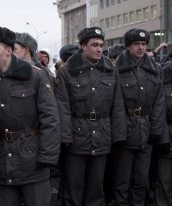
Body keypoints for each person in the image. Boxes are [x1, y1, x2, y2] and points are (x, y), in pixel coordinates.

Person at [0, 26, 60, 206]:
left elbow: (50, 119)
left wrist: (47, 157)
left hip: (33, 161)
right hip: (2, 163)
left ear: (9, 51)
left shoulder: (35, 76)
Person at [55, 27, 126, 206]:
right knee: (73, 187)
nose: (99, 49)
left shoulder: (111, 70)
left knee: (96, 187)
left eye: (101, 45)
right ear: (82, 46)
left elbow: (117, 106)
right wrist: (65, 137)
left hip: (102, 136)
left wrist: (118, 136)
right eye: (94, 45)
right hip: (77, 137)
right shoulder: (66, 71)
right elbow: (62, 107)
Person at [113, 28, 168, 206]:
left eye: (144, 44)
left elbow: (159, 102)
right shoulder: (117, 70)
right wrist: (120, 133)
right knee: (122, 179)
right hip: (126, 131)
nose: (141, 48)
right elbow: (116, 104)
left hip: (146, 130)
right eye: (136, 44)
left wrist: (156, 129)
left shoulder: (154, 70)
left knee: (141, 179)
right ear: (128, 46)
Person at [153, 43, 172, 205]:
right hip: (168, 139)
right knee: (164, 183)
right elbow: (158, 112)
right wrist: (161, 138)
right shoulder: (163, 78)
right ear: (171, 59)